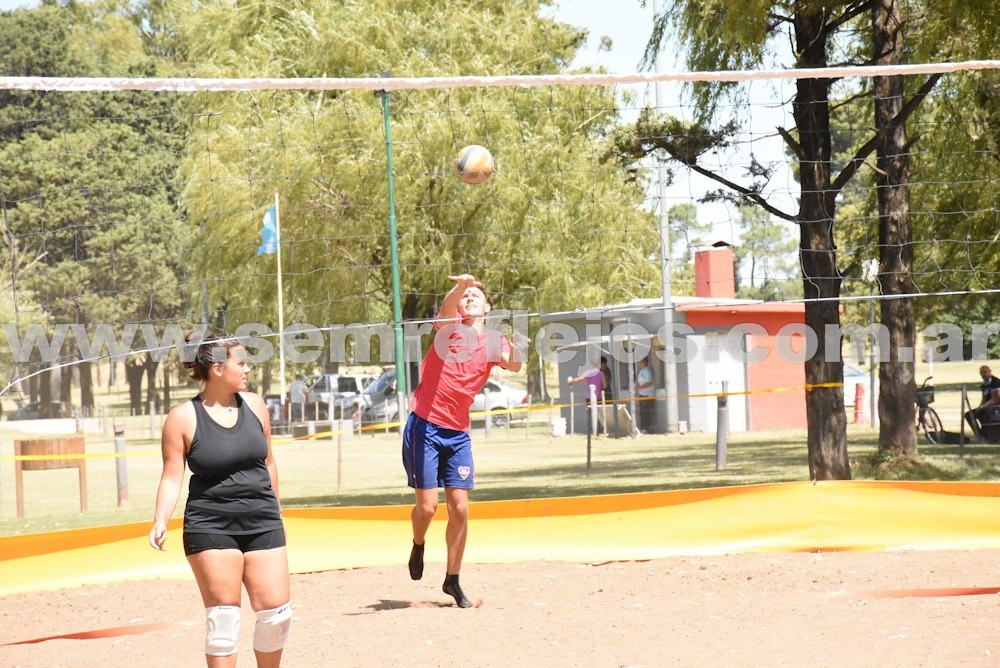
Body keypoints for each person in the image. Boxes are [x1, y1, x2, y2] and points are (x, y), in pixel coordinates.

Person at [150, 332, 291, 667]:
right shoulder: (182, 417)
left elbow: (268, 461)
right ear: (216, 368)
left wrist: (277, 507)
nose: (248, 370)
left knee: (277, 614)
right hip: (211, 524)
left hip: (263, 520)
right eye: (241, 363)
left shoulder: (255, 405)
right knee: (224, 622)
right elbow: (172, 475)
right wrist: (160, 519)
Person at [403, 274, 525, 608]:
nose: (469, 298)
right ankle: (418, 542)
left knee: (460, 508)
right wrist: (458, 288)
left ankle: (452, 580)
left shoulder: (494, 340)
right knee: (427, 507)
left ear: (488, 306)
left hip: (457, 433)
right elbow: (443, 312)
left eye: (475, 295)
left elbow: (514, 364)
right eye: (465, 296)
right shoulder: (449, 328)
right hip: (425, 425)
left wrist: (520, 346)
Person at [965, 364, 1000, 441]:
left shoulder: (995, 382)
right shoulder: (983, 384)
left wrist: (983, 407)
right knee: (969, 415)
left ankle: (985, 435)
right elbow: (984, 398)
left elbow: (995, 399)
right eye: (981, 372)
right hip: (987, 406)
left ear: (990, 372)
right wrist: (980, 406)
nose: (983, 374)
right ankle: (979, 434)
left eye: (985, 372)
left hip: (996, 407)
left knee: (980, 413)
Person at [568, 360, 605, 434]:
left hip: (589, 397)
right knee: (600, 414)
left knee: (590, 413)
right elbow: (605, 385)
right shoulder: (601, 374)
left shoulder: (588, 373)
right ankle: (600, 430)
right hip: (599, 397)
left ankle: (592, 430)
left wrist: (571, 381)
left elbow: (579, 379)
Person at [633, 356, 655, 433]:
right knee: (642, 412)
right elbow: (639, 382)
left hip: (647, 395)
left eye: (641, 361)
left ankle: (646, 428)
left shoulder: (647, 371)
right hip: (642, 394)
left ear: (645, 362)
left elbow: (649, 382)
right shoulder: (641, 372)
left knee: (645, 412)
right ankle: (642, 428)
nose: (640, 363)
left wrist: (640, 387)